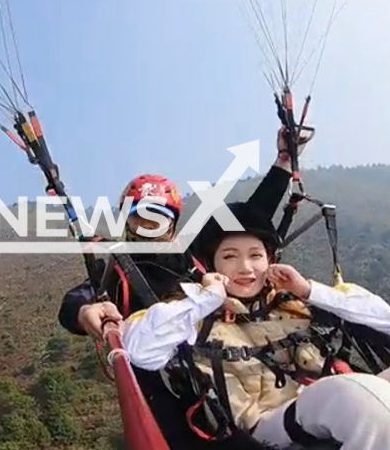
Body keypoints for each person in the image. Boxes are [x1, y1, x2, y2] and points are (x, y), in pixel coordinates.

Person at [57, 128, 308, 450]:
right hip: (173, 389)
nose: (149, 227)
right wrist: (85, 311)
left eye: (157, 218)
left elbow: (252, 212)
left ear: (172, 222)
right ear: (128, 223)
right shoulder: (117, 270)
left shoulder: (196, 254)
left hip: (232, 365)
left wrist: (284, 161)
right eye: (140, 219)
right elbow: (77, 299)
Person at [121, 200, 390, 450]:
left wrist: (309, 290)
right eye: (230, 256)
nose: (245, 267)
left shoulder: (295, 296)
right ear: (212, 264)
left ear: (270, 259)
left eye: (256, 255)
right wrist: (207, 298)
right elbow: (139, 350)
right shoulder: (187, 309)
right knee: (353, 393)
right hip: (269, 423)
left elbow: (389, 322)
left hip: (341, 394)